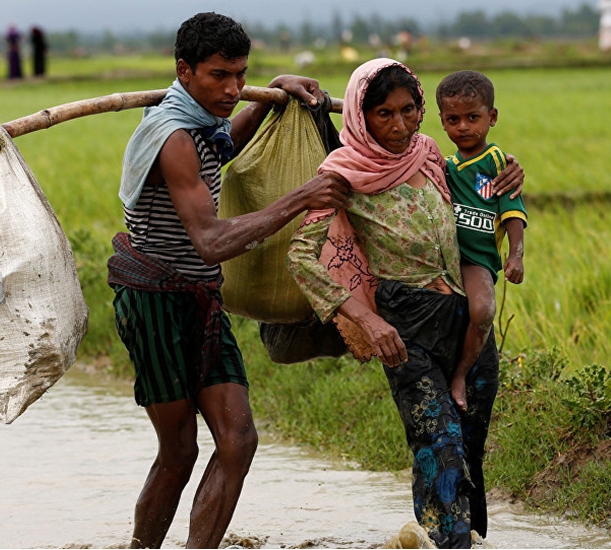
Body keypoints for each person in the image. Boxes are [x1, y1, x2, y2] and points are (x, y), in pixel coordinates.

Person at [107, 11, 349, 549]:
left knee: (238, 440)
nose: (234, 88)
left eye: (242, 75)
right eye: (220, 75)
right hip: (154, 297)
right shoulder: (171, 136)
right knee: (179, 452)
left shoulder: (203, 123)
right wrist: (300, 199)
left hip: (201, 297)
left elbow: (222, 146)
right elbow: (212, 242)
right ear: (184, 70)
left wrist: (271, 96)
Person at [287, 58, 522, 548]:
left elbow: (480, 194)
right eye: (383, 114)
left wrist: (506, 179)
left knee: (471, 446)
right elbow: (301, 257)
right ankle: (450, 544)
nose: (399, 126)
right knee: (440, 444)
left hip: (462, 317)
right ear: (360, 116)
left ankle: (467, 539)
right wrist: (366, 320)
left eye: (409, 110)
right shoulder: (342, 172)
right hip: (404, 325)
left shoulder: (431, 153)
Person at [436, 70, 527, 414]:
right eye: (453, 119)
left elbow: (512, 212)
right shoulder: (442, 165)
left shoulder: (496, 163)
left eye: (473, 118)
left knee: (483, 310)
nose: (463, 127)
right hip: (441, 260)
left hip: (476, 260)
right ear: (442, 122)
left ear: (492, 117)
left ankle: (460, 374)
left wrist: (516, 256)